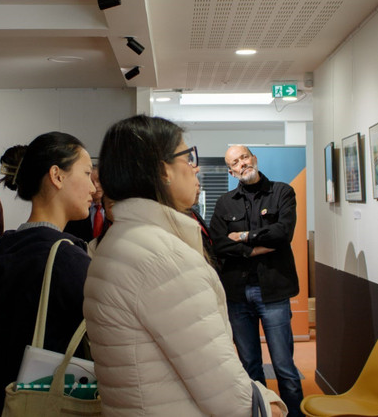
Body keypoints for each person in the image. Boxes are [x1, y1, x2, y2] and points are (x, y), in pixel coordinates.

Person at [83, 115, 286, 416]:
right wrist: (270, 407)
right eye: (188, 157)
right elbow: (227, 395)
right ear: (163, 170)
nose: (196, 167)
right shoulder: (164, 258)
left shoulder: (118, 242)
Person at [0, 132, 94, 417]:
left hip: (7, 396)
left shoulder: (3, 250)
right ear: (57, 175)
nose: (93, 187)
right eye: (87, 173)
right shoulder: (65, 258)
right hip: (56, 398)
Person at [210, 145, 304, 417]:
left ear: (254, 159)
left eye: (244, 158)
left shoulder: (282, 192)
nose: (242, 164)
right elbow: (218, 245)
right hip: (238, 295)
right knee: (249, 366)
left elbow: (283, 233)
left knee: (285, 367)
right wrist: (253, 248)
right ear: (230, 171)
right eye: (235, 162)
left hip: (274, 291)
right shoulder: (225, 202)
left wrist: (242, 237)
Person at [64, 165, 108, 242]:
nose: (96, 186)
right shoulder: (76, 211)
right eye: (91, 181)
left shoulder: (115, 209)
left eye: (99, 180)